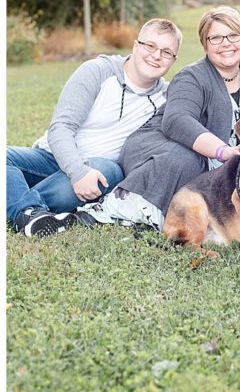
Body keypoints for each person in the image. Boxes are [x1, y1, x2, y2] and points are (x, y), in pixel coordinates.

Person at [41, 7, 240, 233]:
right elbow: (177, 120)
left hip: (202, 157)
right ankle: (109, 210)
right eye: (216, 38)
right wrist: (223, 151)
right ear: (205, 44)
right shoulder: (192, 77)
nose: (226, 43)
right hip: (154, 148)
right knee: (187, 159)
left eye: (233, 35)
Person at [7, 19, 182, 237]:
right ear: (136, 45)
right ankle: (28, 212)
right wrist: (78, 172)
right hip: (51, 158)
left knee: (108, 170)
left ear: (174, 60)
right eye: (150, 46)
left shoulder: (166, 98)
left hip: (99, 172)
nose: (156, 56)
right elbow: (61, 127)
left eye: (166, 52)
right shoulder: (98, 71)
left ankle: (17, 202)